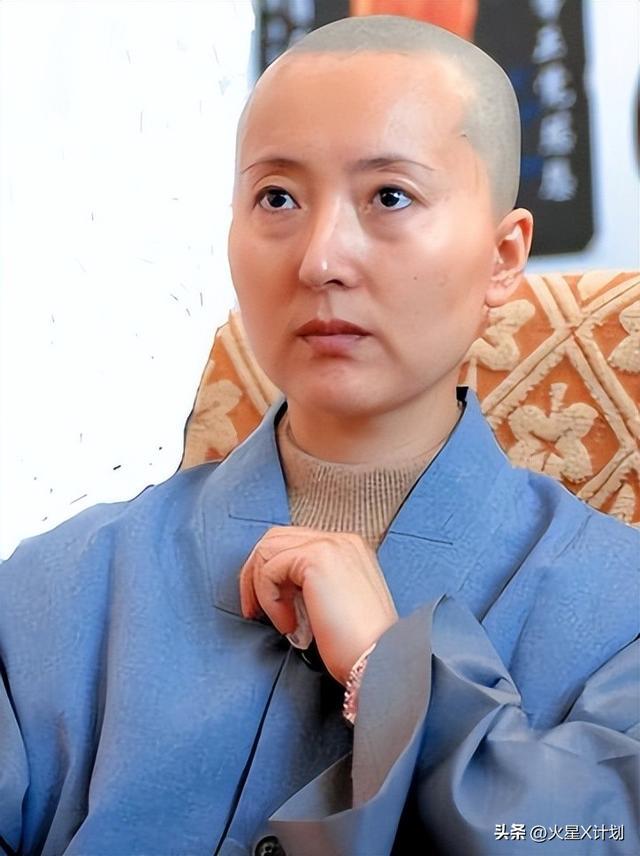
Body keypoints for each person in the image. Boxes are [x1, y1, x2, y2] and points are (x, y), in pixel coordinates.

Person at [0, 14, 638, 856]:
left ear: (503, 256)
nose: (320, 259)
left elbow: (587, 836)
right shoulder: (53, 591)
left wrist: (394, 672)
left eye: (390, 196)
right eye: (277, 198)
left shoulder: (622, 611)